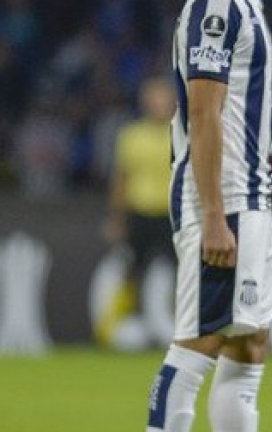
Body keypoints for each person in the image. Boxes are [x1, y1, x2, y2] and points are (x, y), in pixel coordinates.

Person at [145, 0, 272, 432]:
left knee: (249, 344)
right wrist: (213, 216)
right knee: (198, 342)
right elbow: (204, 112)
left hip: (246, 199)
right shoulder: (217, 2)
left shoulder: (245, 4)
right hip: (225, 200)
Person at [95, 75, 177, 348]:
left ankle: (186, 330)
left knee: (185, 275)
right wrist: (116, 218)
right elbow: (122, 178)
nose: (159, 104)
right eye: (154, 99)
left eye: (163, 99)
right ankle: (112, 328)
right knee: (130, 272)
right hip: (139, 212)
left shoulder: (182, 133)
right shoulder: (132, 135)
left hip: (172, 214)